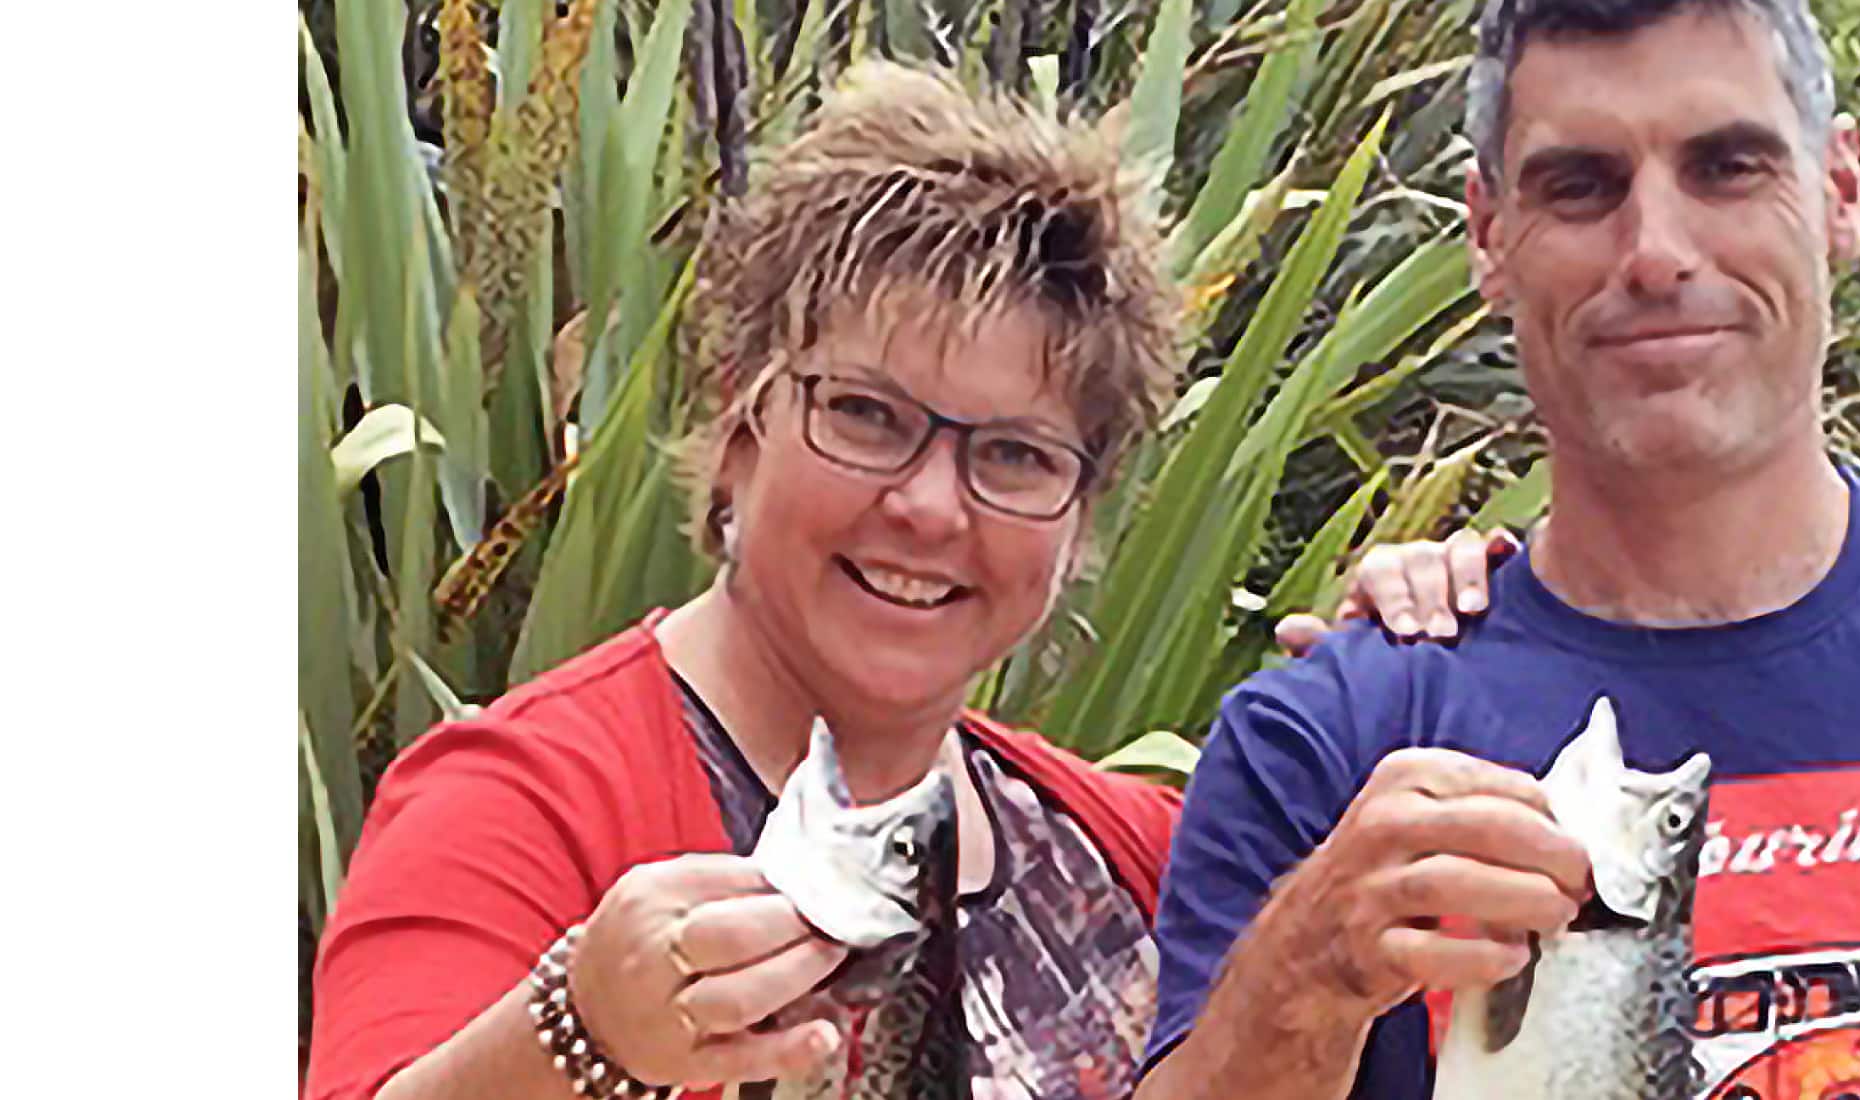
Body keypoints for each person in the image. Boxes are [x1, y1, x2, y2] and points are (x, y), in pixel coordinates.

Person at [304, 63, 1505, 1100]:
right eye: (867, 414)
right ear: (739, 416)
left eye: (1015, 455)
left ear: (1081, 515)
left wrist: (1434, 686)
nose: (931, 505)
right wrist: (577, 1030)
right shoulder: (522, 805)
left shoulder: (1131, 849)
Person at [1136, 2, 1860, 1099]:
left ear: (1840, 190)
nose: (1657, 254)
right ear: (1488, 235)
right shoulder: (1321, 740)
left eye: (1726, 168)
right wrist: (1301, 981)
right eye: (1581, 186)